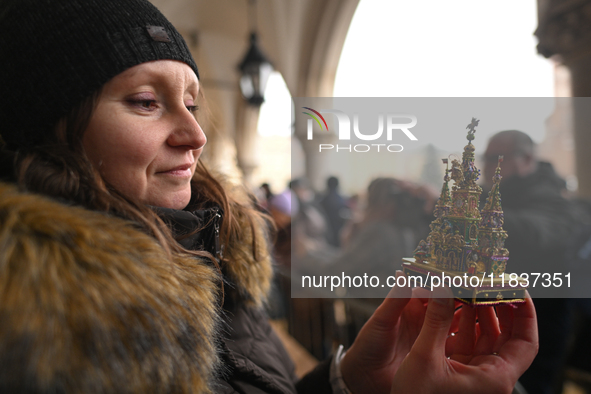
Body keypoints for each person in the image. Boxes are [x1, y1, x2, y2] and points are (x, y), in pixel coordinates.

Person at [0, 1, 538, 392]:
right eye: (145, 101)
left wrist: (353, 381)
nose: (196, 134)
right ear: (45, 130)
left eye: (192, 102)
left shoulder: (214, 251)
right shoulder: (29, 324)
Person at [483, 130, 577, 394]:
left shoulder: (552, 197)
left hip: (537, 320)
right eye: (485, 157)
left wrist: (463, 207)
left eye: (495, 158)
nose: (487, 165)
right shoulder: (496, 195)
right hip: (502, 313)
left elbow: (534, 234)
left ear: (525, 158)